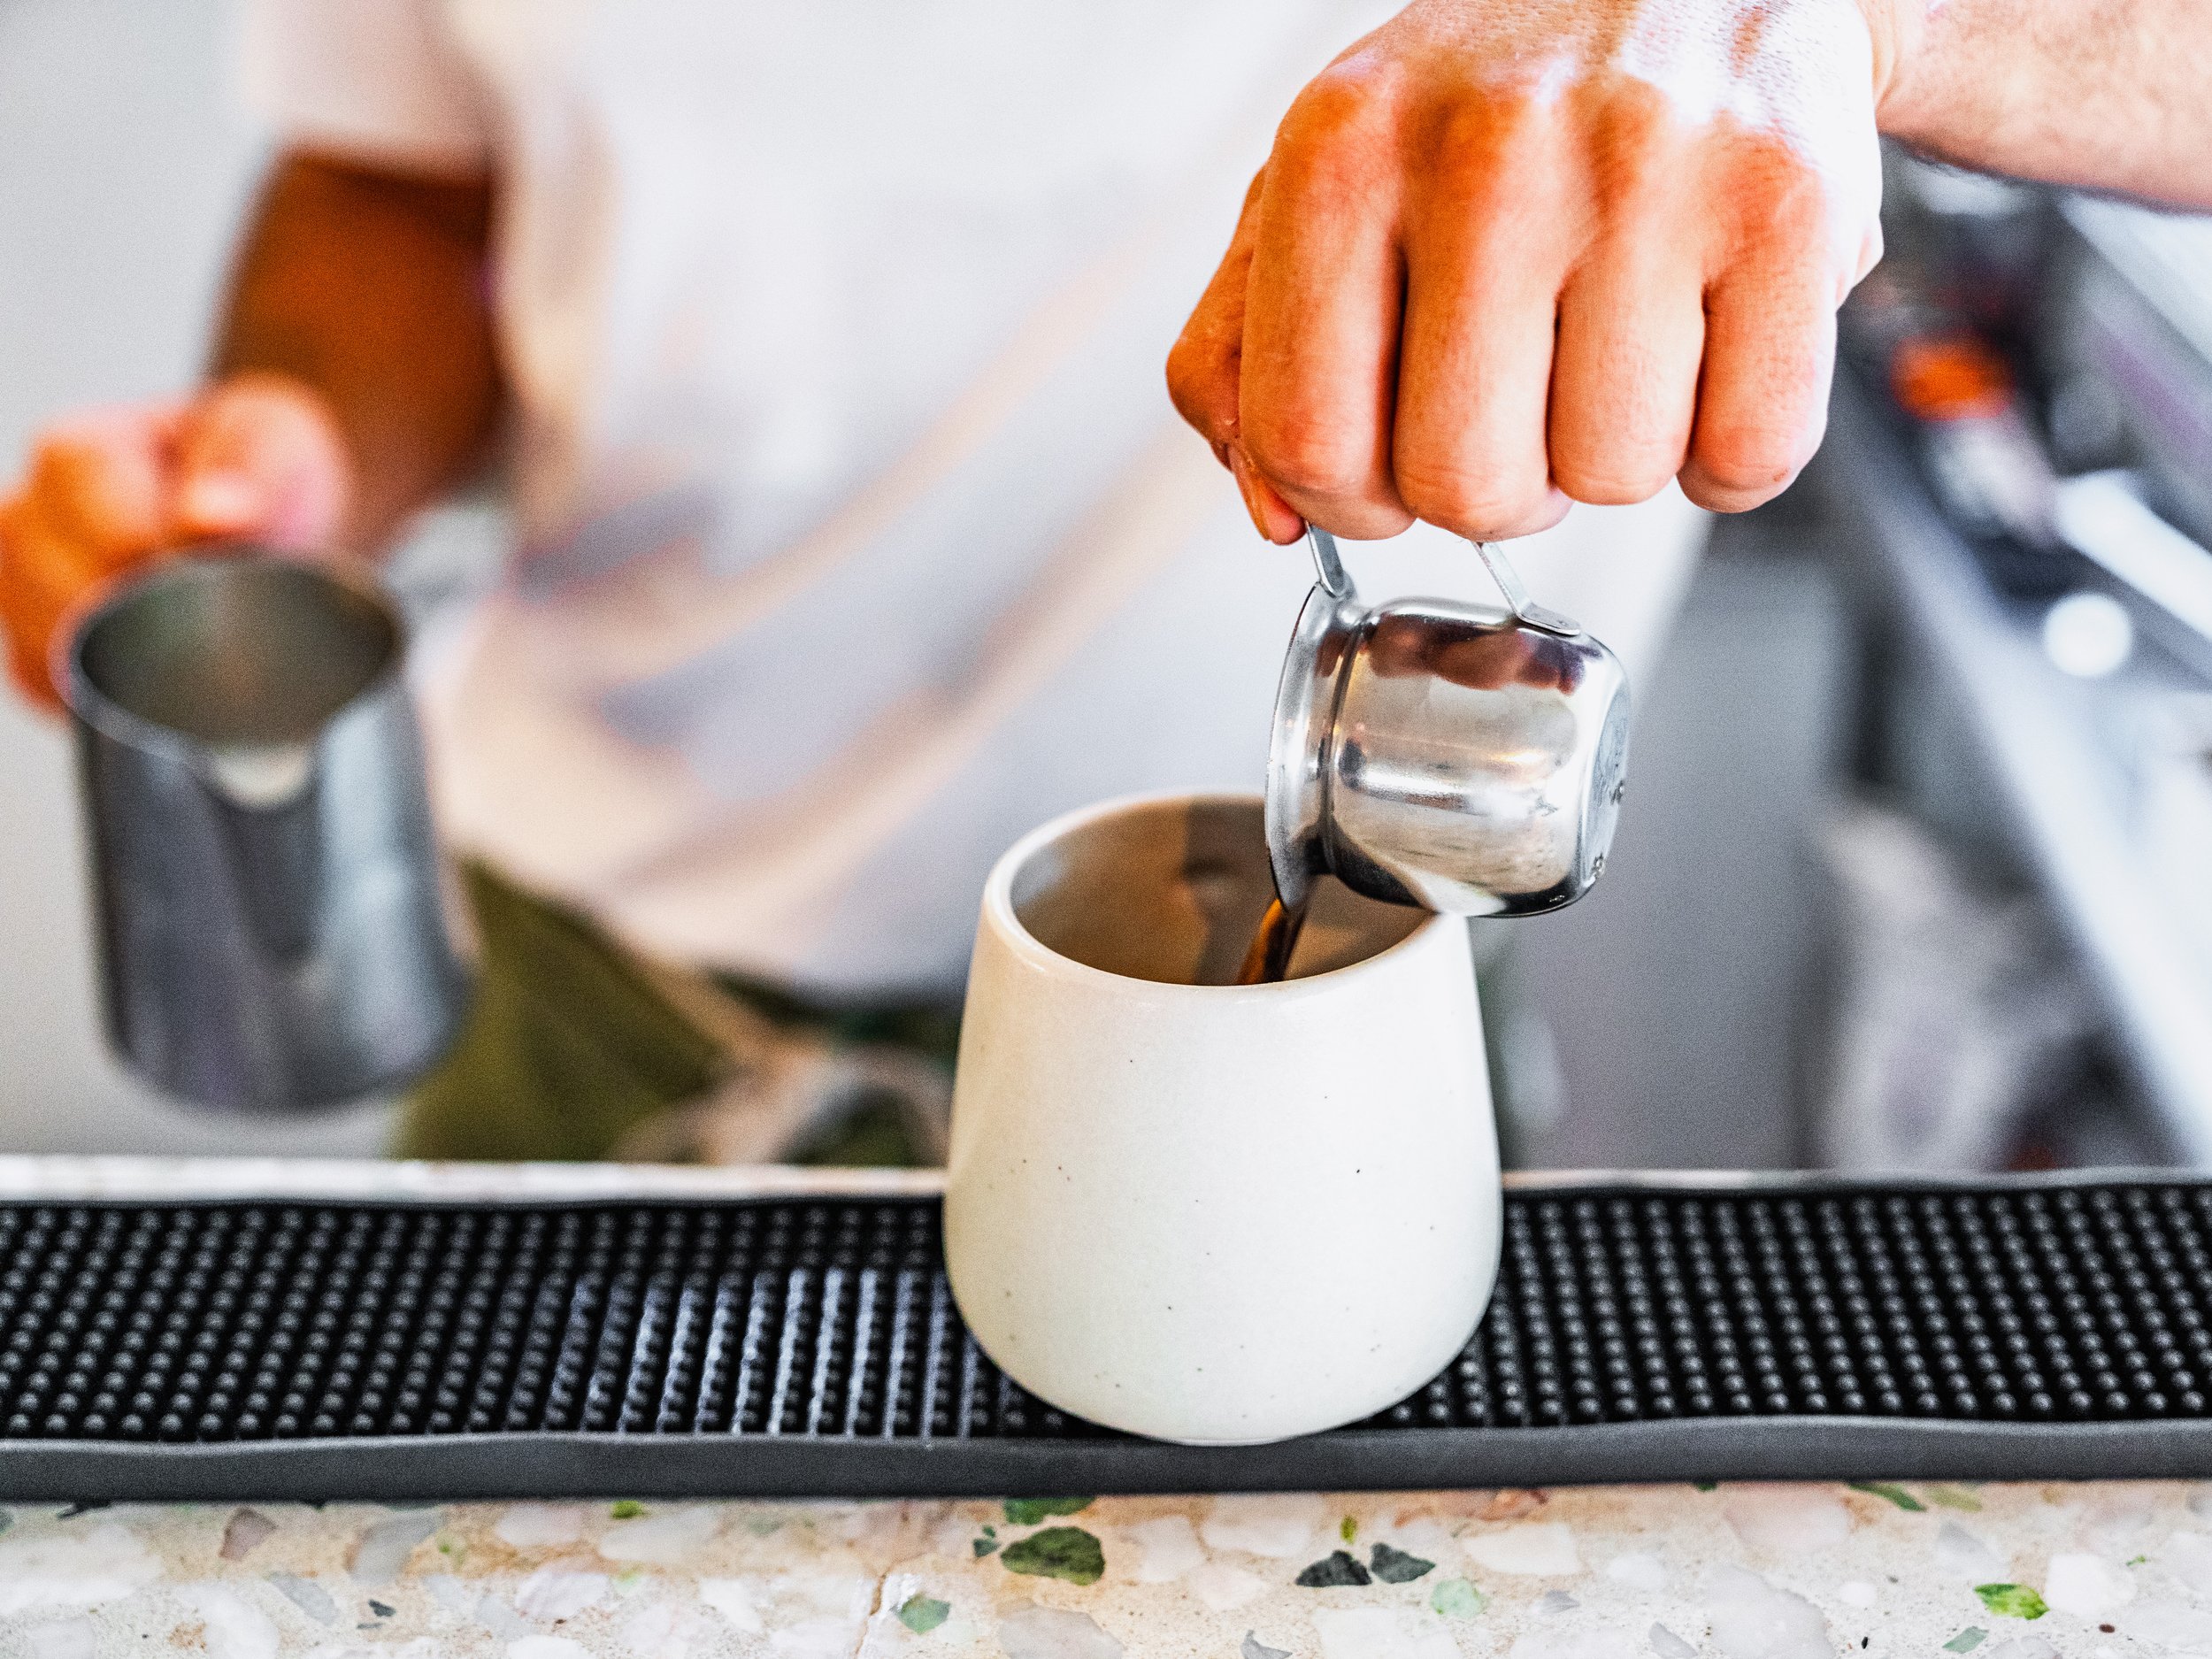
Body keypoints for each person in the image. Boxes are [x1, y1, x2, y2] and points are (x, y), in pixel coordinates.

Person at [3, 0, 2206, 1161]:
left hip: (1322, 1037)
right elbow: (397, 177)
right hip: (597, 1005)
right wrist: (304, 438)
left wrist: (1840, 11)